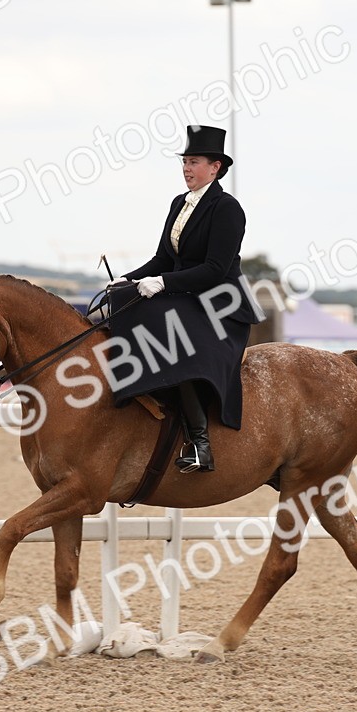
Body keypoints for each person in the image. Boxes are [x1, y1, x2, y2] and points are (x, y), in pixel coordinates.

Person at [107, 125, 262, 473]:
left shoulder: (227, 209)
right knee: (123, 305)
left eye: (194, 162)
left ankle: (200, 443)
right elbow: (163, 257)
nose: (187, 169)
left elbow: (215, 269)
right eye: (185, 162)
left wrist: (162, 283)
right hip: (187, 295)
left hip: (221, 304)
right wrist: (129, 278)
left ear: (215, 167)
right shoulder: (180, 203)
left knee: (176, 336)